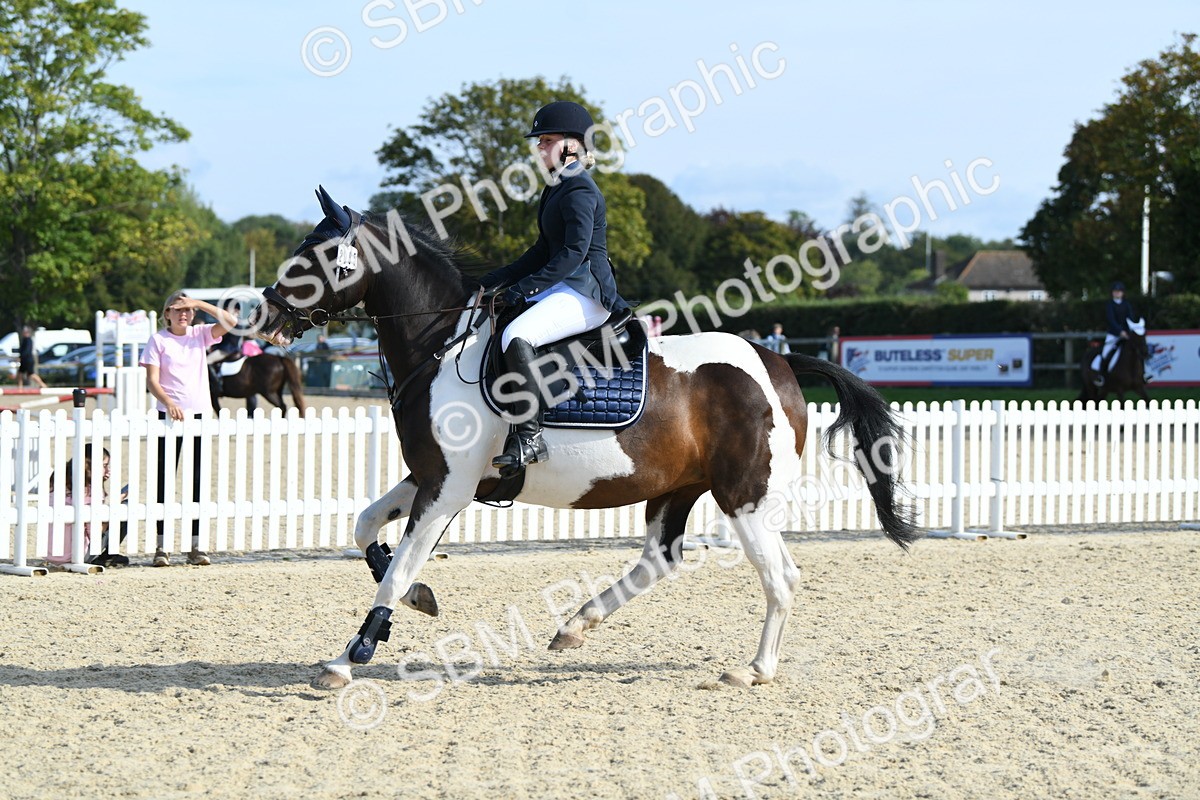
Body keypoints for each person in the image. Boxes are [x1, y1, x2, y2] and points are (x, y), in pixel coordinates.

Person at [479, 101, 628, 477]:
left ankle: (530, 437)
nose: (539, 148)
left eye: (547, 141)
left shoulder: (580, 190)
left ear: (572, 146)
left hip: (586, 291)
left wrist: (525, 289)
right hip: (564, 286)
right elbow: (541, 251)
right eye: (540, 141)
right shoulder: (557, 187)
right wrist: (495, 280)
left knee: (516, 335)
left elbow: (574, 254)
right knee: (500, 318)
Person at [141, 291, 236, 566]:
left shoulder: (200, 334)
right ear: (167, 313)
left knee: (197, 480)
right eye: (177, 309)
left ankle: (196, 545)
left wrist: (198, 303)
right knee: (164, 480)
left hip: (199, 415)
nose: (183, 314)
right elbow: (152, 380)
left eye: (187, 310)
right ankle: (162, 546)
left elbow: (231, 321)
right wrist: (168, 402)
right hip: (168, 417)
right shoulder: (158, 340)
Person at [44, 446, 110, 568]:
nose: (108, 470)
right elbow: (94, 532)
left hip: (51, 554)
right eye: (104, 465)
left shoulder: (59, 480)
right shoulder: (90, 489)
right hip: (77, 555)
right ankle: (107, 556)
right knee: (119, 511)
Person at [1091, 281, 1137, 387]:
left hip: (1126, 334)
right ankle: (1100, 375)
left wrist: (1127, 331)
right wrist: (1120, 331)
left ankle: (1142, 374)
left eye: (1119, 291)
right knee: (1105, 353)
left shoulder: (1126, 305)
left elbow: (1130, 318)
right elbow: (1111, 320)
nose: (1117, 293)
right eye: (1115, 291)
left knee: (1137, 350)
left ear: (1122, 293)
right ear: (1112, 293)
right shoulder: (1110, 305)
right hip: (1114, 334)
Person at [16, 325, 47, 389]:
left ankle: (43, 385)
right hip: (25, 360)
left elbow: (26, 351)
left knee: (31, 374)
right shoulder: (25, 340)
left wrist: (21, 357)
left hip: (27, 360)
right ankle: (20, 387)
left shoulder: (28, 340)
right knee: (20, 373)